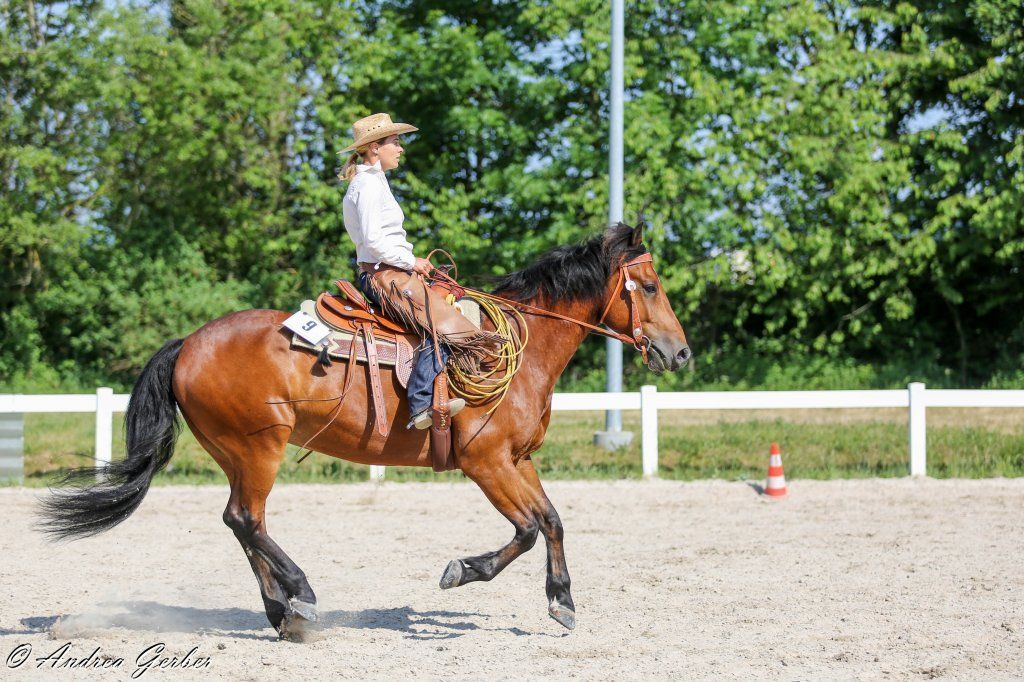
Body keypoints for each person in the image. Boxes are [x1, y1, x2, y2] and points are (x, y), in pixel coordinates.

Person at [337, 113, 500, 429]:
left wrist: (410, 262)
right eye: (395, 142)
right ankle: (422, 403)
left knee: (446, 313)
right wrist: (411, 262)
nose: (400, 149)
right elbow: (372, 239)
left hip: (391, 271)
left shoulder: (374, 181)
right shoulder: (367, 185)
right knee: (443, 325)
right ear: (374, 148)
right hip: (384, 276)